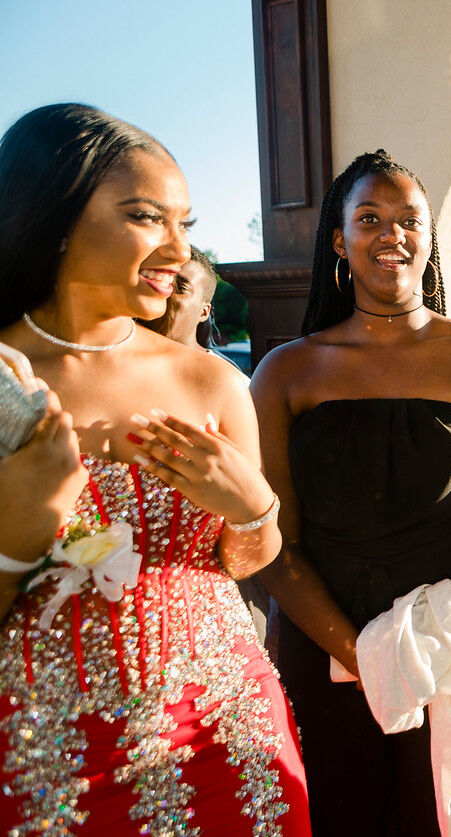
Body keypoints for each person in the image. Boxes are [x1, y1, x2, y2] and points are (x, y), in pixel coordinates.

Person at [0, 103, 309, 834]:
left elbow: (249, 560)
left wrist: (252, 508)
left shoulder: (212, 382)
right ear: (57, 216)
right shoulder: (6, 382)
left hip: (227, 731)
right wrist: (16, 537)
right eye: (146, 217)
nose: (180, 248)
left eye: (185, 224)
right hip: (46, 751)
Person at [251, 149, 451, 835]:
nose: (392, 235)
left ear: (430, 236)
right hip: (324, 641)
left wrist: (429, 637)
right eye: (370, 218)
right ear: (338, 240)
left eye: (410, 219)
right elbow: (274, 542)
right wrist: (364, 655)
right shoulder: (285, 372)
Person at [140, 247, 273, 645]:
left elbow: (257, 501)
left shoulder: (230, 387)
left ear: (204, 310)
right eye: (158, 278)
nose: (165, 291)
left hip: (208, 588)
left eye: (180, 285)